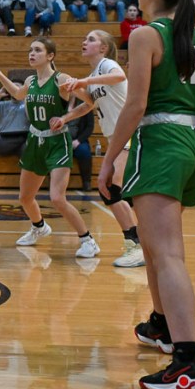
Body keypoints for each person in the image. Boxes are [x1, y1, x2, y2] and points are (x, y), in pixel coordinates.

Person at [99, 0, 195, 389]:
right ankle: (163, 325)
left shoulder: (145, 34)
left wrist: (110, 159)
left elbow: (136, 103)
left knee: (167, 255)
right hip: (194, 142)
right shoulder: (192, 35)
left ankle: (187, 363)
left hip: (163, 142)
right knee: (152, 246)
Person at [0, 38, 100, 259]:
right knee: (25, 197)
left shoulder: (62, 79)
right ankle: (39, 227)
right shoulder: (30, 80)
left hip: (57, 141)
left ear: (50, 56)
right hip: (35, 140)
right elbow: (18, 94)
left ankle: (88, 240)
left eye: (38, 50)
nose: (32, 53)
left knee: (57, 198)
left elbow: (90, 103)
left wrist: (65, 118)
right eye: (31, 50)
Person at [61, 30, 145, 268]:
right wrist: (65, 116)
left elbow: (120, 76)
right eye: (84, 39)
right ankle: (140, 241)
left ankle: (136, 245)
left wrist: (84, 82)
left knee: (112, 189)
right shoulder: (94, 75)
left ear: (103, 48)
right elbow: (89, 105)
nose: (84, 42)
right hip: (116, 138)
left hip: (130, 133)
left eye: (90, 39)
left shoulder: (108, 65)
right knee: (118, 191)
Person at [0, 81, 28, 156]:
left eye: (17, 87)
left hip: (23, 138)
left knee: (27, 147)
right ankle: (19, 141)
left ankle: (19, 142)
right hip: (4, 140)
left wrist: (25, 96)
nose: (14, 89)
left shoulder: (27, 104)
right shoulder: (2, 105)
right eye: (11, 87)